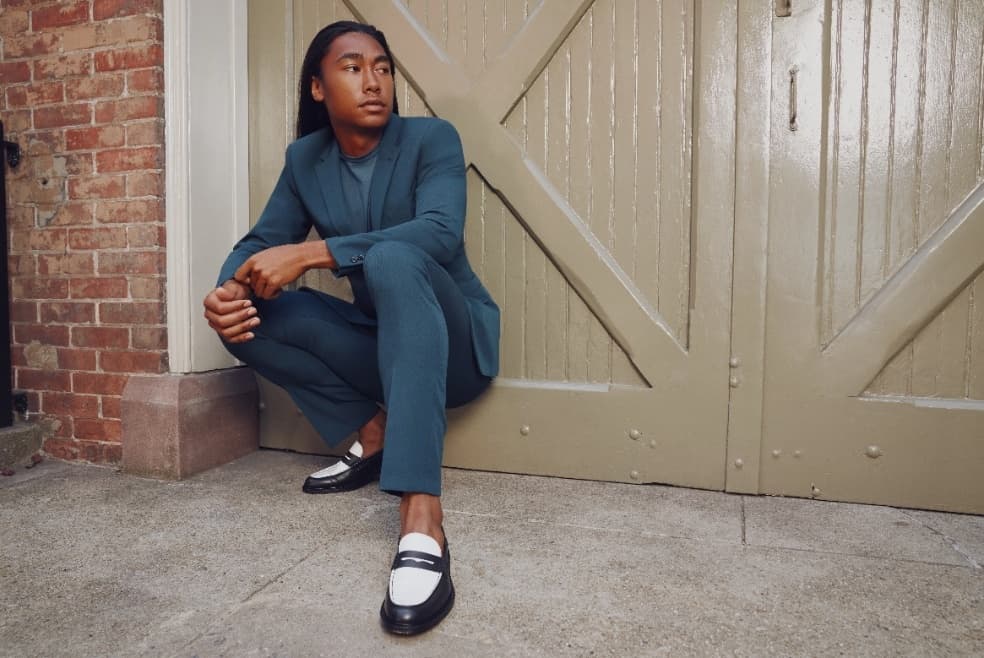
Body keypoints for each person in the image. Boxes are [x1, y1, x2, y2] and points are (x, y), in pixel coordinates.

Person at [202, 20, 499, 636]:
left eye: (382, 67)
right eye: (353, 67)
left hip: (455, 352)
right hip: (383, 347)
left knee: (394, 256)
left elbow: (439, 232)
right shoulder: (305, 160)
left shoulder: (432, 139)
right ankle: (373, 430)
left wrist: (312, 254)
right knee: (245, 321)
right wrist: (228, 289)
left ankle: (422, 514)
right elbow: (261, 242)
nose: (373, 81)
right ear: (317, 87)